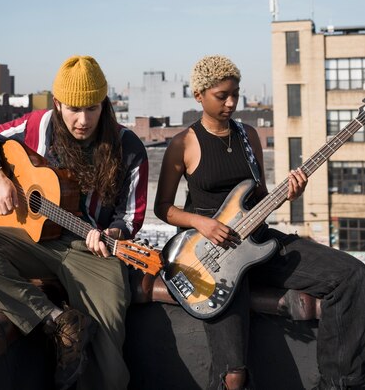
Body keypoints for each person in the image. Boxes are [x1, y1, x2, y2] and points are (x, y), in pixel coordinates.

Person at [154, 54, 365, 390]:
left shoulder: (249, 135)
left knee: (351, 275)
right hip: (213, 261)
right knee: (234, 376)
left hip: (259, 243)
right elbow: (163, 208)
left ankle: (338, 383)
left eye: (235, 94)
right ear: (199, 95)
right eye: (221, 96)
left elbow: (261, 195)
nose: (231, 103)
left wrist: (290, 193)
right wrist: (202, 223)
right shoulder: (183, 144)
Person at [0, 55, 149, 390]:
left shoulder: (128, 146)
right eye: (73, 108)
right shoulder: (38, 125)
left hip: (92, 253)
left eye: (92, 108)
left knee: (110, 372)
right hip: (33, 239)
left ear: (105, 105)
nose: (82, 119)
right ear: (57, 104)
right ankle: (56, 320)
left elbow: (131, 214)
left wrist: (113, 233)